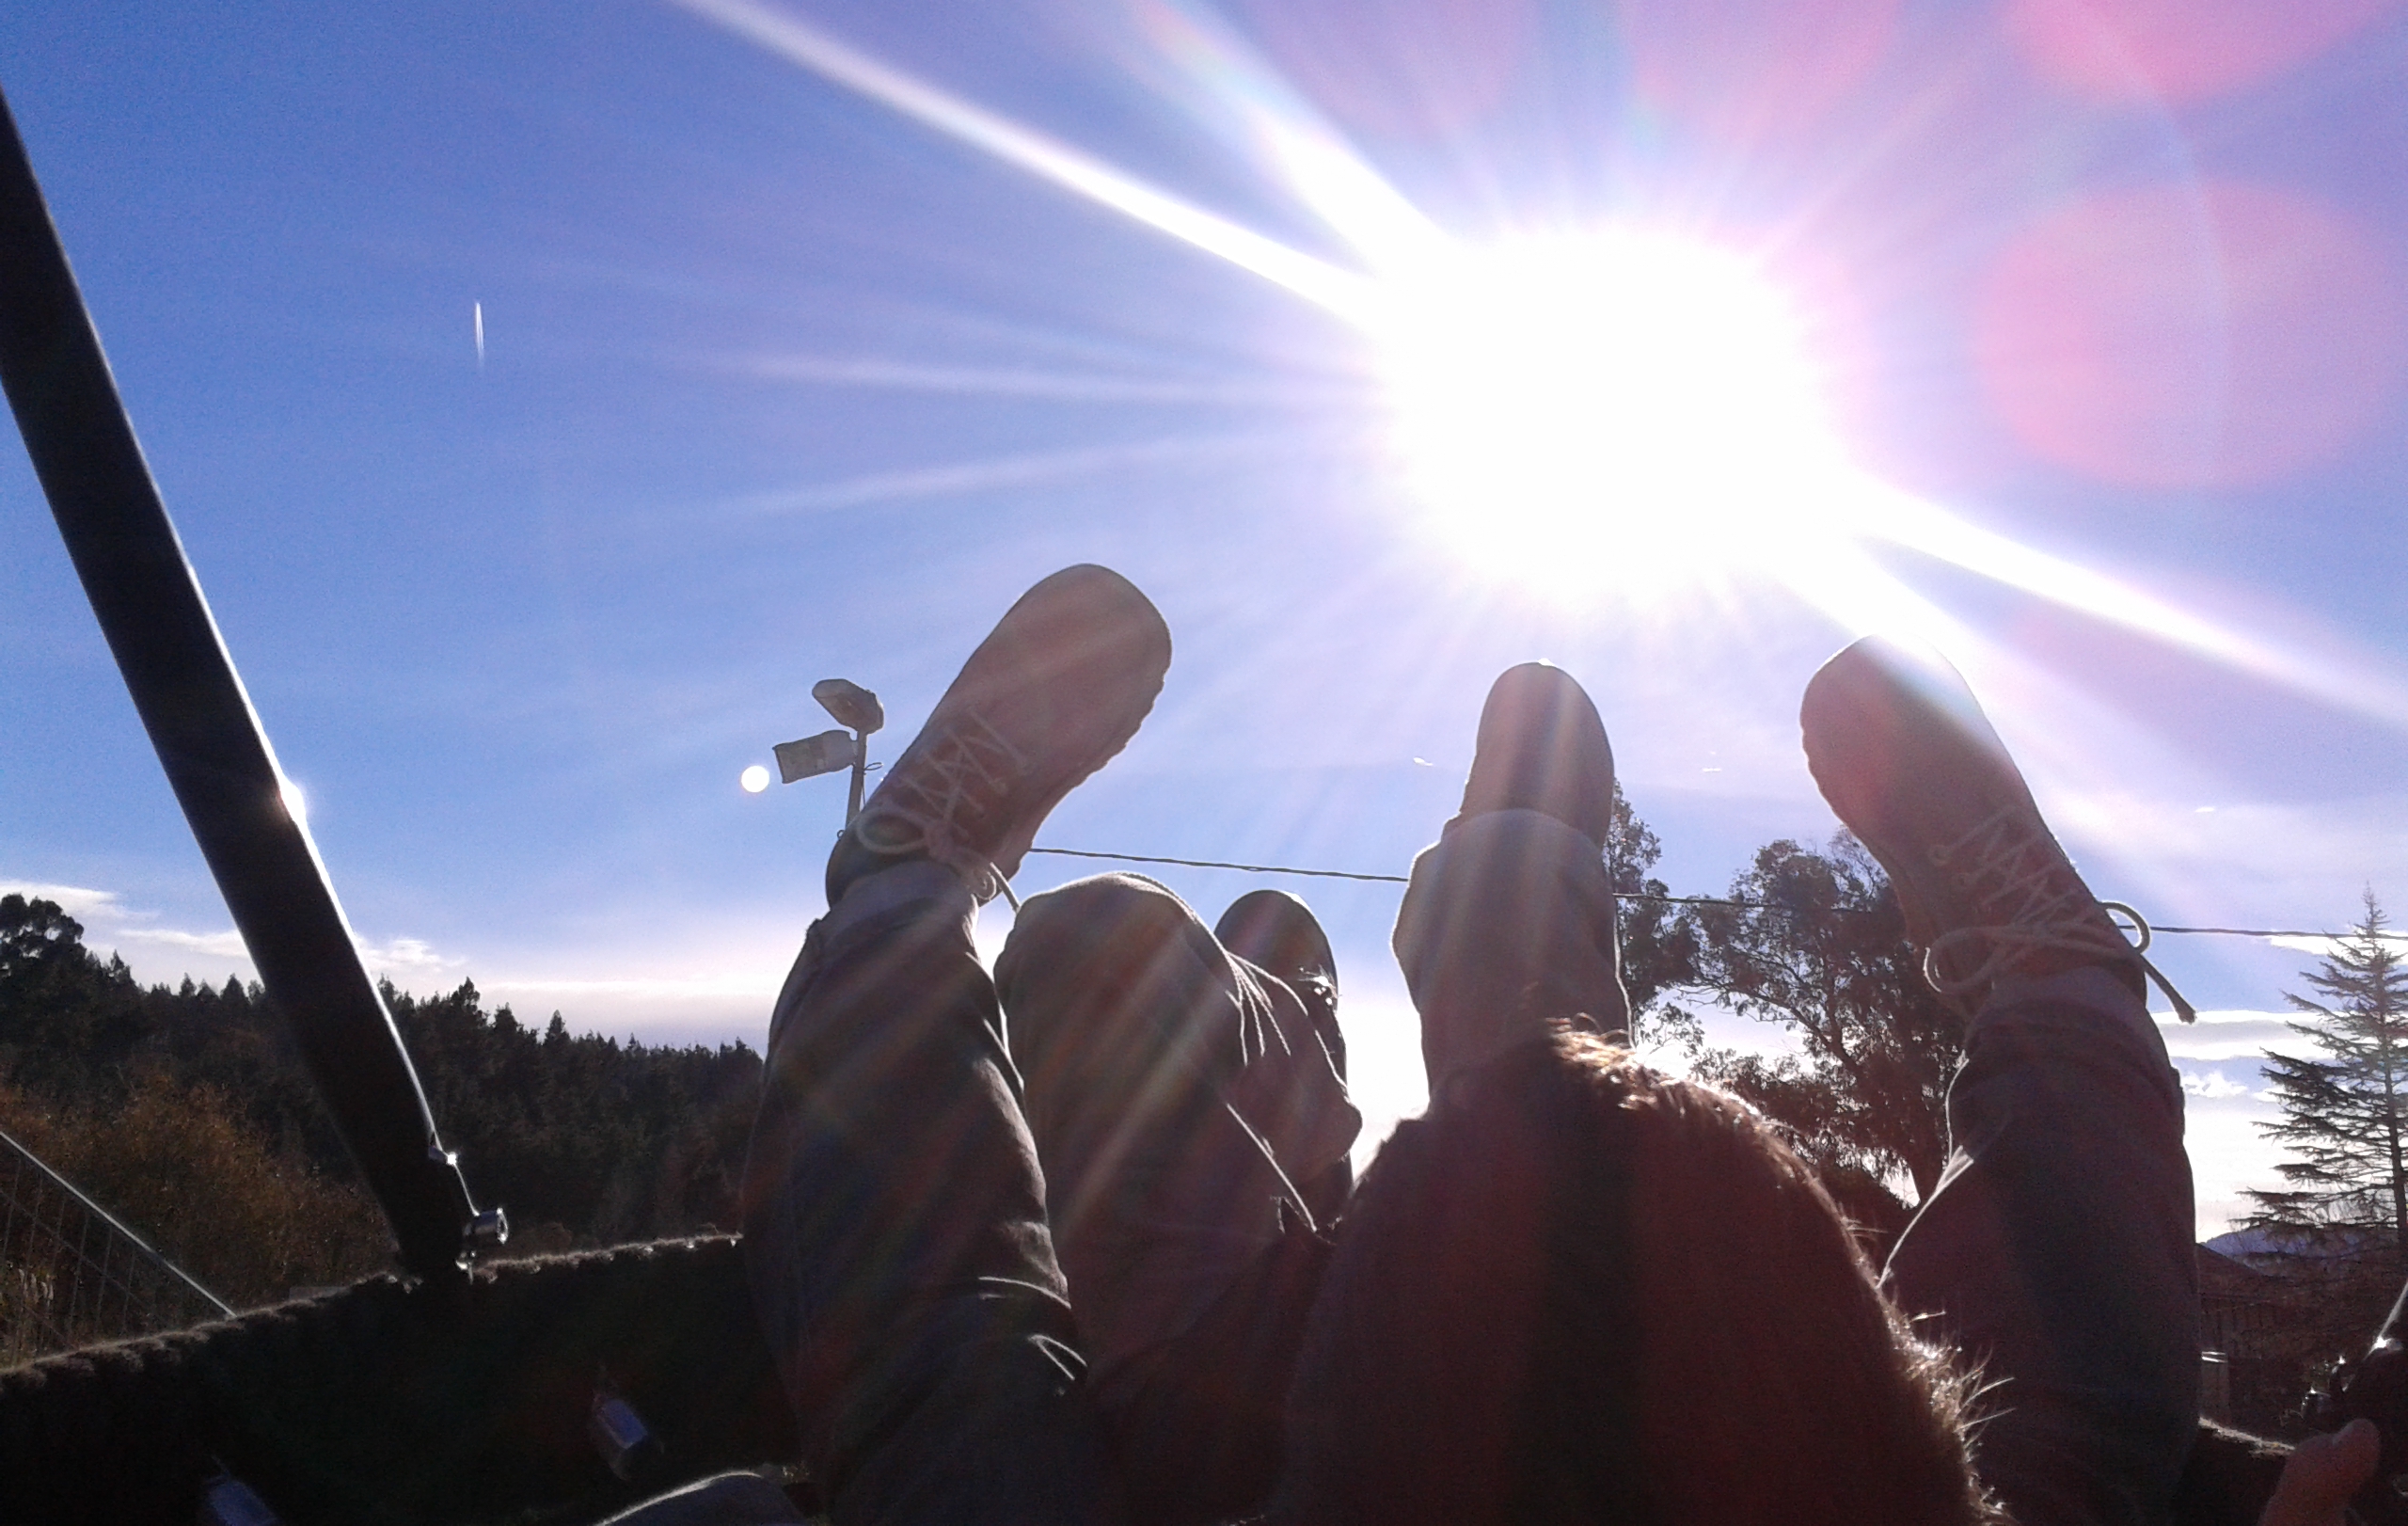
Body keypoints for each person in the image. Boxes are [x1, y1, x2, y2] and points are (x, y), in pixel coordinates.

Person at [619, 565, 2379, 1525]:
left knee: (1092, 957)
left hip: (1310, 1409)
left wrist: (902, 900)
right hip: (1808, 1477)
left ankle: (920, 877)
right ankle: (2008, 962)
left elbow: (928, 1323)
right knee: (2074, 1347)